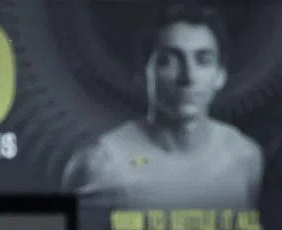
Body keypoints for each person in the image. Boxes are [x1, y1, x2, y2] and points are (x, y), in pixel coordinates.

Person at [61, 3, 263, 211]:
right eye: (168, 61)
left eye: (203, 60)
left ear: (221, 75)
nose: (188, 77)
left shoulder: (245, 156)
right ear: (143, 73)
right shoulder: (101, 165)